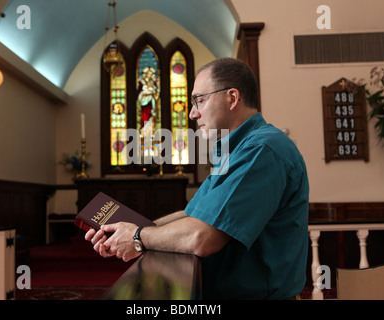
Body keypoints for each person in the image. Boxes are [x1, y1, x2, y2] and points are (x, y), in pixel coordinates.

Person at [85, 57, 310, 299]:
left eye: (200, 101)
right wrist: (128, 230)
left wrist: (138, 238)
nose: (193, 113)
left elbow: (202, 236)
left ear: (232, 98)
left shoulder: (263, 149)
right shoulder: (234, 150)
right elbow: (193, 213)